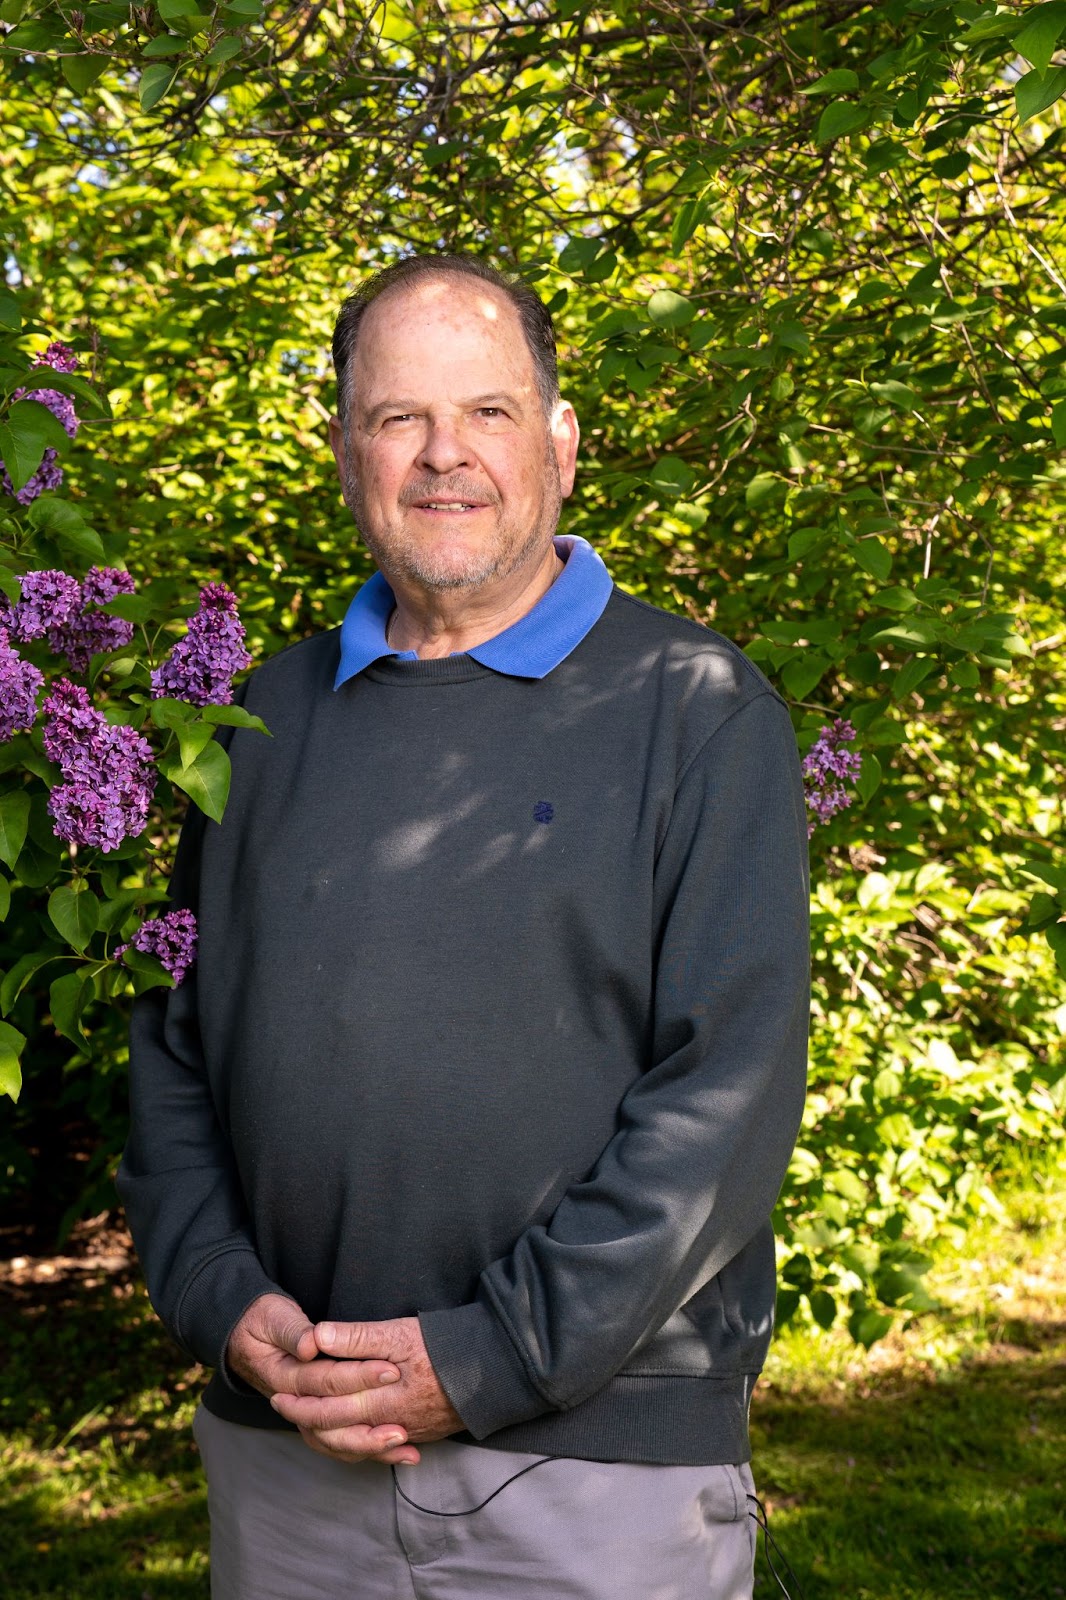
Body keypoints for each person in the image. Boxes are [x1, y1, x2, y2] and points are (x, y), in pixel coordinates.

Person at [117, 252, 811, 1600]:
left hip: (595, 1471)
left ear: (559, 444)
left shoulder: (697, 708)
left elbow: (723, 1102)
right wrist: (217, 1295)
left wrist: (483, 1360)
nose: (445, 457)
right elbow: (171, 1048)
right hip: (290, 1453)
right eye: (398, 419)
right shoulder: (253, 727)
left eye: (486, 413)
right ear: (344, 452)